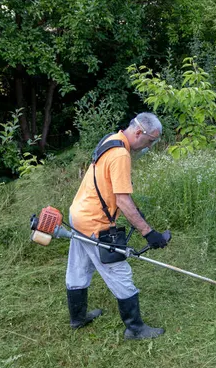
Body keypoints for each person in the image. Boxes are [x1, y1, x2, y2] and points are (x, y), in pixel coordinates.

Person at [66, 112, 169, 340]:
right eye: (150, 141)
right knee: (119, 272)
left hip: (78, 214)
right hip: (94, 222)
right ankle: (135, 328)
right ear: (139, 132)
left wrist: (135, 213)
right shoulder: (121, 154)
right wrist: (148, 232)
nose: (149, 147)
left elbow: (111, 189)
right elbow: (122, 199)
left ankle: (78, 318)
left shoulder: (110, 139)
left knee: (78, 267)